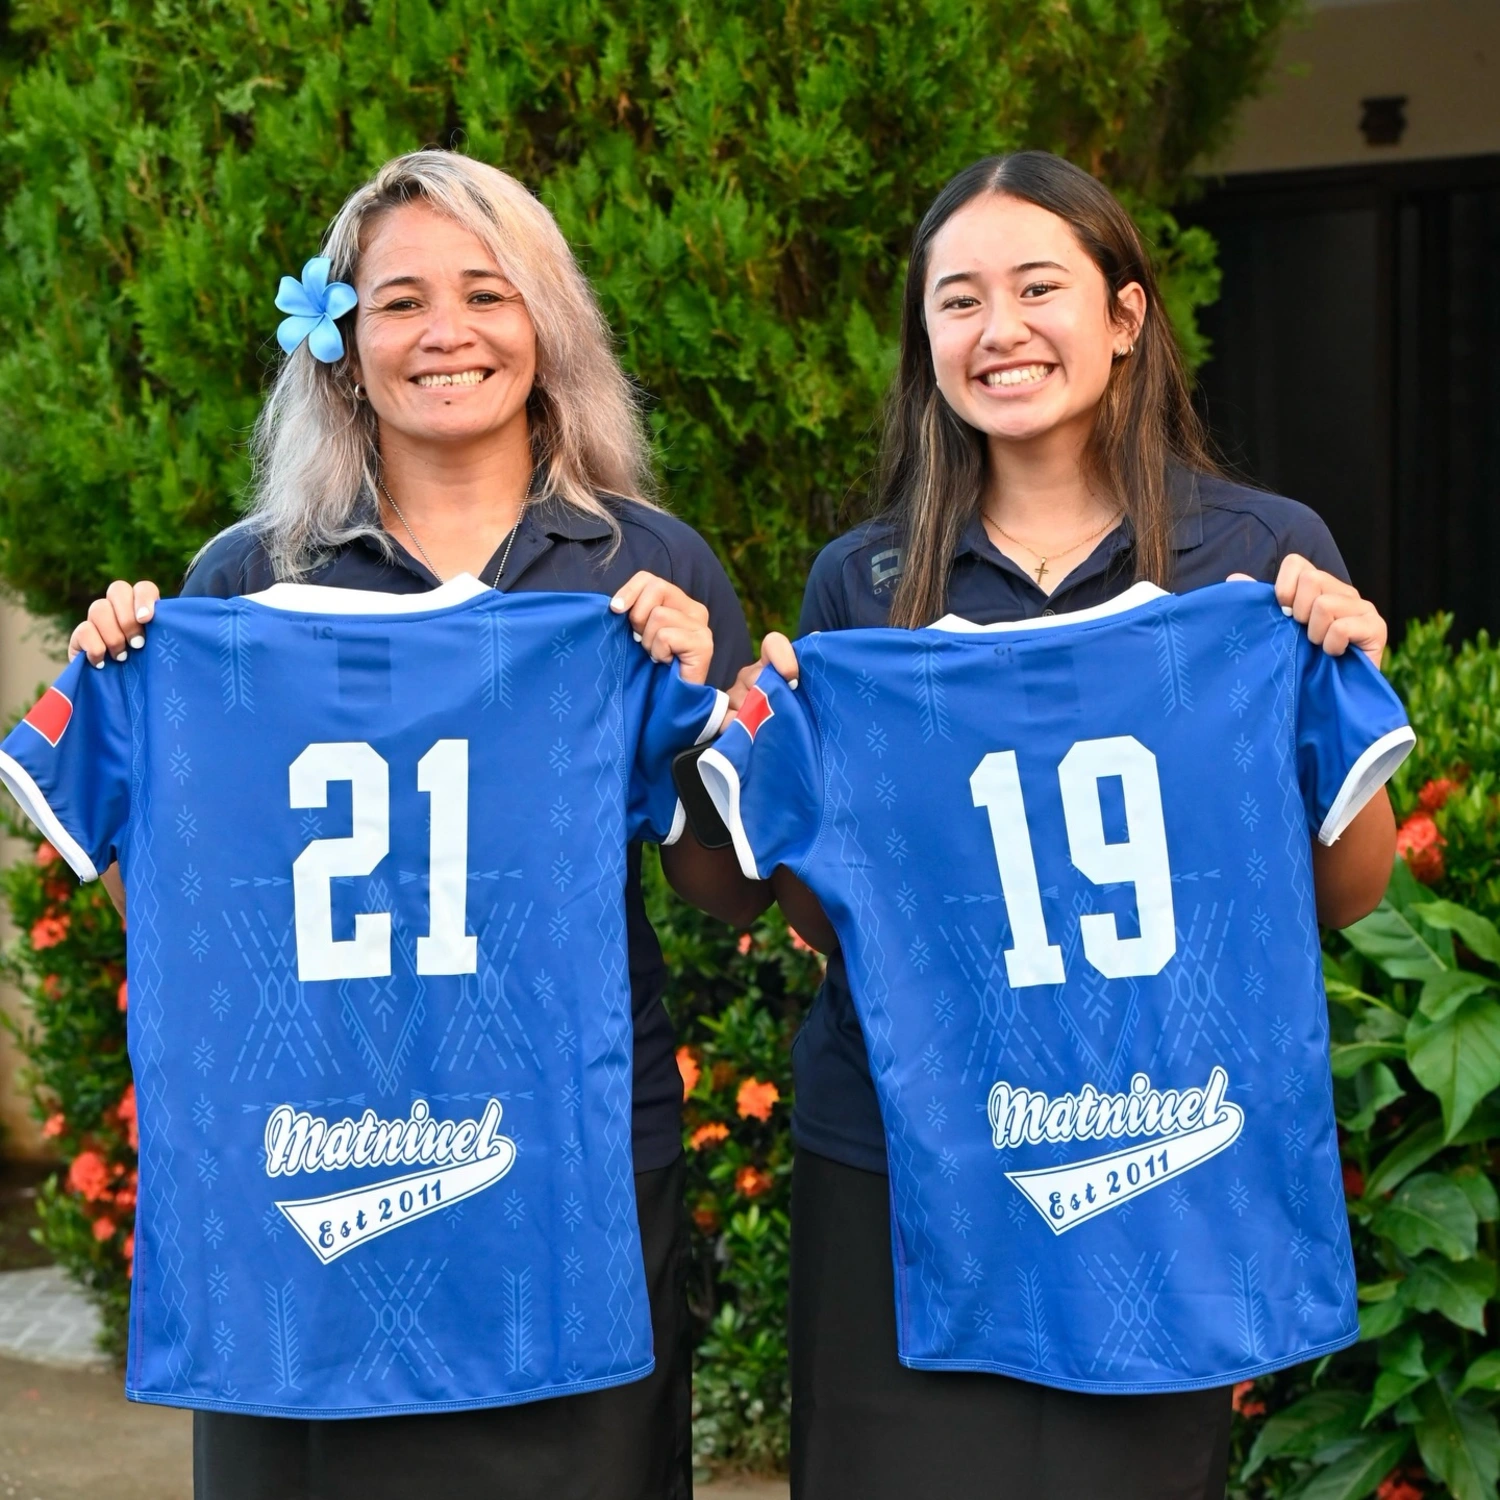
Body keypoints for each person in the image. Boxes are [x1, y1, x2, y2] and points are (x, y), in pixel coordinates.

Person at [69, 149, 762, 1500]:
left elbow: (727, 893)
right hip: (312, 1167)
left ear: (546, 325)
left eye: (486, 293)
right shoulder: (245, 580)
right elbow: (177, 910)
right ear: (340, 346)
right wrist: (129, 695)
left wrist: (699, 715)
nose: (446, 333)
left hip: (571, 1156)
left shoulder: (645, 567)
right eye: (399, 302)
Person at [719, 151, 1398, 1499]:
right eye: (958, 300)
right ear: (925, 339)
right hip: (904, 1145)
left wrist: (1342, 668)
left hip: (1158, 1137)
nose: (1000, 330)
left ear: (1127, 315)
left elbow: (1347, 892)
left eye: (1040, 287)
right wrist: (773, 739)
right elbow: (828, 922)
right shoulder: (863, 581)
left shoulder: (1257, 561)